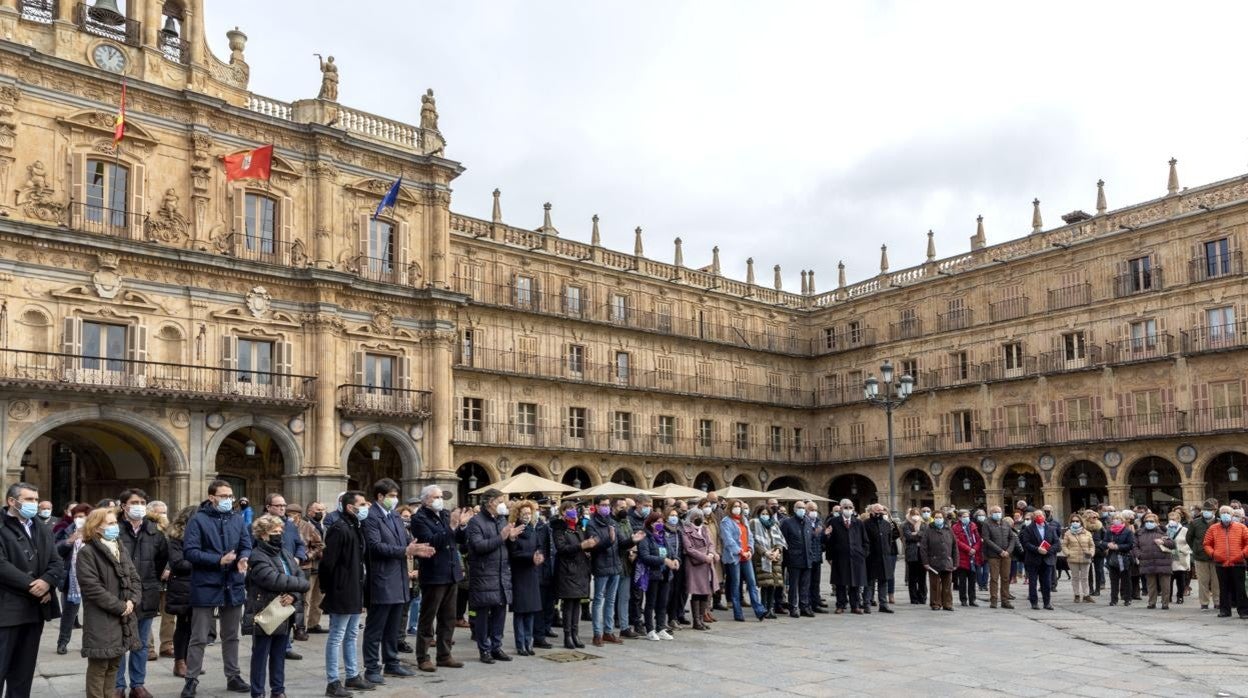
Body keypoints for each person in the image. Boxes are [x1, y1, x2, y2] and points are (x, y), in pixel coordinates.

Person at [181, 480, 251, 697]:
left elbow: (246, 544)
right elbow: (190, 552)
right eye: (224, 496)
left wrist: (244, 558)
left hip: (233, 584)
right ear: (212, 497)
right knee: (199, 636)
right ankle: (191, 679)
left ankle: (233, 676)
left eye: (230, 496)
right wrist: (218, 560)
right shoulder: (198, 520)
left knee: (231, 635)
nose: (229, 500)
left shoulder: (237, 519)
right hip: (206, 584)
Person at [0, 482, 64, 697]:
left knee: (23, 672)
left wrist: (47, 581)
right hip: (6, 610)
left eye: (36, 500)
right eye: (29, 500)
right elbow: (1, 565)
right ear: (12, 501)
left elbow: (56, 561)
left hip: (34, 611)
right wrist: (32, 586)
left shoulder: (41, 527)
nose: (34, 504)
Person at [360, 479, 425, 685]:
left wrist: (417, 547)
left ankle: (391, 662)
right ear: (380, 496)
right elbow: (374, 546)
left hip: (398, 579)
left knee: (394, 625)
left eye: (396, 496)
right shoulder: (371, 517)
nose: (395, 500)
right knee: (375, 627)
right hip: (381, 579)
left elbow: (405, 541)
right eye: (391, 496)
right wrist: (404, 551)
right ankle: (371, 667)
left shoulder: (395, 516)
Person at [75, 506, 142, 698]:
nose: (116, 527)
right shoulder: (87, 552)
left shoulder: (120, 548)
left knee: (114, 665)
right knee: (99, 667)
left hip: (124, 617)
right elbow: (92, 587)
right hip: (101, 618)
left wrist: (132, 601)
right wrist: (121, 606)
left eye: (116, 523)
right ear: (97, 528)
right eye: (111, 523)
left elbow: (135, 578)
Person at [243, 514, 310, 698]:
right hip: (265, 610)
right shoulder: (257, 555)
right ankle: (258, 693)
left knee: (279, 654)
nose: (279, 534)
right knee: (260, 655)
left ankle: (278, 691)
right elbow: (273, 580)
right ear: (263, 534)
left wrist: (293, 596)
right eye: (274, 532)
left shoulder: (285, 553)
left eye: (280, 531)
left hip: (285, 610)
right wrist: (299, 585)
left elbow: (299, 576)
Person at [114, 488, 169, 698]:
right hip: (120, 595)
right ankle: (118, 685)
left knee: (141, 643)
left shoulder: (154, 532)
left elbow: (160, 561)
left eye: (142, 502)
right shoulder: (114, 529)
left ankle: (138, 684)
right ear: (123, 506)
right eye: (134, 502)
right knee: (119, 642)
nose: (138, 506)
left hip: (147, 592)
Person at [410, 486, 467, 673]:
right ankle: (423, 657)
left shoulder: (444, 514)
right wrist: (451, 527)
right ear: (426, 499)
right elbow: (432, 541)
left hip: (451, 572)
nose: (440, 500)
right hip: (434, 575)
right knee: (428, 618)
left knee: (448, 618)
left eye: (441, 497)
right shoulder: (419, 518)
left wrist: (462, 526)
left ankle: (444, 655)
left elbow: (457, 539)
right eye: (436, 497)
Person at [320, 491, 370, 697]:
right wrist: (330, 587)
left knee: (351, 634)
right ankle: (333, 681)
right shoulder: (339, 528)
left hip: (355, 587)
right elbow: (328, 562)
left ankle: (352, 675)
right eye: (362, 504)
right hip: (342, 589)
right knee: (337, 636)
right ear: (350, 507)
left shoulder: (355, 526)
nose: (366, 507)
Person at [465, 493, 518, 664]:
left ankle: (496, 646)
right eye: (500, 501)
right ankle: (484, 649)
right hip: (484, 574)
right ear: (490, 502)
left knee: (500, 613)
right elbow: (478, 546)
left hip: (502, 573)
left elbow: (506, 546)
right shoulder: (476, 521)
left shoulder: (501, 519)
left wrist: (512, 538)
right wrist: (501, 537)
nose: (503, 505)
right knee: (482, 614)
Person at [585, 496, 641, 646]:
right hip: (601, 566)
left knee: (610, 601)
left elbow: (621, 542)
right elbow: (593, 547)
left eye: (608, 505)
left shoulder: (612, 522)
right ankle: (597, 634)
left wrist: (632, 540)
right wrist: (609, 540)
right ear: (596, 506)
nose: (606, 508)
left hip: (616, 565)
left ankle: (608, 632)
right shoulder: (592, 524)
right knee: (598, 601)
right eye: (603, 505)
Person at [551, 501, 592, 649]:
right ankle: (567, 636)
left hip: (580, 569)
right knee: (568, 604)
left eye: (574, 509)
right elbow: (561, 548)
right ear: (562, 512)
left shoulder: (579, 527)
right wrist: (581, 546)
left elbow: (582, 545)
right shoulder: (559, 529)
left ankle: (576, 633)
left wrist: (588, 548)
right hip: (567, 570)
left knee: (577, 603)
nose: (573, 512)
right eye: (569, 509)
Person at [719, 500, 767, 622]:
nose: (738, 509)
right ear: (730, 508)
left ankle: (759, 610)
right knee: (736, 584)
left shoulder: (743, 519)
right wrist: (740, 551)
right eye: (735, 506)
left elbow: (750, 536)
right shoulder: (725, 522)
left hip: (747, 556)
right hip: (734, 557)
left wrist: (750, 549)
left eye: (739, 507)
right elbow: (728, 540)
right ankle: (738, 613)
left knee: (752, 583)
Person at [506, 500, 544, 655]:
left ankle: (529, 643)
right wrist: (530, 557)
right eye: (524, 514)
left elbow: (539, 547)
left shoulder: (533, 530)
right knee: (520, 612)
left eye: (529, 513)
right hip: (520, 574)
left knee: (531, 611)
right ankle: (520, 644)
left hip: (532, 574)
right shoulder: (514, 531)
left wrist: (540, 556)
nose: (527, 516)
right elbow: (513, 553)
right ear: (518, 515)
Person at [165, 505, 197, 679]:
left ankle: (191, 660)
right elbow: (178, 563)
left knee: (196, 627)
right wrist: (202, 562)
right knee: (183, 626)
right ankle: (180, 662)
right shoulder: (176, 538)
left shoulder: (202, 537)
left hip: (200, 586)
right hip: (183, 587)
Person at [55, 503, 91, 654]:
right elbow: (56, 551)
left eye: (81, 516)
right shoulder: (67, 531)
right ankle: (62, 642)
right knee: (69, 612)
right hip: (71, 578)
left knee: (92, 613)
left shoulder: (96, 532)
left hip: (92, 578)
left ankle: (89, 644)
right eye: (75, 516)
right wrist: (69, 541)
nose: (78, 519)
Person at [284, 503, 323, 642]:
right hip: (285, 567)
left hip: (304, 567)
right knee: (286, 598)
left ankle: (301, 628)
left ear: (298, 515)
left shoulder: (308, 527)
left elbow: (319, 545)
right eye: (287, 514)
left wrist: (308, 556)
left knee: (303, 599)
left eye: (291, 514)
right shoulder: (282, 525)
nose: (288, 517)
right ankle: (286, 629)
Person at [637, 512, 678, 640]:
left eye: (661, 522)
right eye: (657, 522)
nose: (660, 525)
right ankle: (650, 629)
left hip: (665, 574)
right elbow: (644, 556)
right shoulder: (645, 537)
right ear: (650, 523)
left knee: (663, 602)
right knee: (651, 602)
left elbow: (671, 551)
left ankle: (661, 627)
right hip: (652, 574)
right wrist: (663, 560)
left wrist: (676, 559)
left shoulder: (663, 536)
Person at [1202, 505, 1248, 618]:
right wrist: (1213, 554)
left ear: (1232, 515)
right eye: (1223, 512)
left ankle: (1244, 611)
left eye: (1227, 512)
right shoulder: (1213, 528)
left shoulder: (1241, 527)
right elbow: (1206, 544)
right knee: (1223, 587)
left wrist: (1242, 554)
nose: (1225, 515)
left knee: (1240, 588)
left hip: (1238, 562)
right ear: (1219, 515)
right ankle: (1225, 610)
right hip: (1220, 563)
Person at [826, 498, 868, 614]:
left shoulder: (858, 522)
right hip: (840, 557)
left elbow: (865, 541)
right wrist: (829, 557)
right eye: (845, 507)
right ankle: (840, 605)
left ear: (853, 509)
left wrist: (863, 553)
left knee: (855, 583)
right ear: (841, 508)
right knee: (840, 582)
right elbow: (830, 541)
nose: (848, 509)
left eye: (850, 507)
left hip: (856, 557)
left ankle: (855, 606)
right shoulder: (834, 521)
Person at [680, 505, 716, 630]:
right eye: (696, 516)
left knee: (706, 591)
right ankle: (696, 621)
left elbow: (711, 543)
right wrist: (704, 556)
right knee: (697, 591)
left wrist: (711, 553)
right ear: (690, 517)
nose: (698, 519)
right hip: (695, 565)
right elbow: (689, 549)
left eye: (700, 516)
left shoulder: (705, 529)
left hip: (707, 563)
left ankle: (701, 618)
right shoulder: (685, 530)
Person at [1019, 508, 1061, 610]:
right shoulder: (1028, 529)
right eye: (1037, 516)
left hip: (1047, 559)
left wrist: (1048, 550)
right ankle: (1034, 602)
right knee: (1033, 582)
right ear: (1034, 518)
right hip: (1033, 559)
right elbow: (1026, 543)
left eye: (1041, 515)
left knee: (1046, 582)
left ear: (1044, 517)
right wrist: (1037, 549)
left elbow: (1057, 544)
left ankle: (1047, 603)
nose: (1039, 517)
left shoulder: (1051, 529)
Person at [1132, 512, 1175, 609]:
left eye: (1151, 521)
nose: (1148, 523)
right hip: (1147, 561)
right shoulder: (1139, 533)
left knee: (1165, 585)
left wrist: (1163, 541)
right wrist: (1139, 555)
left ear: (1156, 522)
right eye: (1146, 521)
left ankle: (1165, 603)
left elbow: (1173, 544)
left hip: (1163, 561)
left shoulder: (1163, 531)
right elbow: (1134, 546)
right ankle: (1151, 602)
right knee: (1151, 585)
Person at [750, 504, 785, 619]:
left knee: (773, 584)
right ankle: (764, 608)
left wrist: (777, 551)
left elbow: (779, 539)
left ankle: (771, 609)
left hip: (775, 558)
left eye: (767, 514)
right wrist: (765, 553)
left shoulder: (774, 524)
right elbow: (753, 541)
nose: (765, 516)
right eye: (762, 514)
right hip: (762, 557)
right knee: (765, 584)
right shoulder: (754, 523)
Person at [780, 501, 813, 616]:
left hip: (807, 558)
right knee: (793, 585)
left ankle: (804, 606)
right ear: (794, 509)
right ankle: (793, 607)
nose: (801, 509)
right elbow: (783, 541)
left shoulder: (808, 522)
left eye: (803, 508)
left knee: (805, 585)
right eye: (799, 507)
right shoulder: (787, 523)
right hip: (794, 559)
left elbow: (810, 539)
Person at [919, 510, 957, 611]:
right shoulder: (929, 530)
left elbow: (954, 547)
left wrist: (955, 562)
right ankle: (935, 603)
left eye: (940, 517)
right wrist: (925, 562)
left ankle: (947, 604)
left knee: (947, 584)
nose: (938, 519)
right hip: (933, 562)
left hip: (947, 561)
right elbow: (923, 547)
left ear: (943, 518)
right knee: (935, 584)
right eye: (936, 517)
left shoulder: (948, 529)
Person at [862, 503, 896, 613]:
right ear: (871, 512)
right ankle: (867, 603)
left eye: (881, 511)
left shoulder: (886, 524)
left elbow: (889, 540)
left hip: (884, 557)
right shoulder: (866, 524)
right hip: (871, 557)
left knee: (883, 581)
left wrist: (887, 552)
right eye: (877, 511)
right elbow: (863, 540)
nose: (879, 513)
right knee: (869, 582)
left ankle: (883, 604)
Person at [1187, 498, 1220, 610]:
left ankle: (1218, 601)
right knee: (1203, 581)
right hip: (1200, 557)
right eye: (1205, 510)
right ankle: (1204, 602)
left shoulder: (1219, 523)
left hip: (1217, 557)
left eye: (1209, 510)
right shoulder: (1195, 523)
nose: (1207, 512)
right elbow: (1189, 538)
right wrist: (1196, 548)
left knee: (1217, 581)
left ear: (1214, 511)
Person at [981, 505, 1016, 609]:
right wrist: (1000, 551)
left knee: (1005, 578)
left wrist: (1008, 551)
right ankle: (994, 600)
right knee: (994, 578)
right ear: (991, 514)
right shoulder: (986, 524)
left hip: (1006, 555)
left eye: (999, 511)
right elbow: (987, 539)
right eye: (995, 512)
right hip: (993, 556)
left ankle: (1005, 600)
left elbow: (1012, 538)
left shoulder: (1005, 523)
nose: (998, 514)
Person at [304, 501, 328, 633]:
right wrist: (316, 553)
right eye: (318, 509)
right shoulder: (305, 525)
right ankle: (303, 626)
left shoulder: (323, 526)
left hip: (322, 566)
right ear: (309, 512)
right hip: (309, 565)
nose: (321, 512)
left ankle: (314, 623)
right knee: (306, 598)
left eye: (323, 510)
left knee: (318, 597)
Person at [1062, 513, 1096, 604]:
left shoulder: (1087, 533)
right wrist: (1068, 553)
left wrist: (1091, 553)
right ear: (1070, 522)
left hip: (1085, 558)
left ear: (1081, 522)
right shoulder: (1068, 533)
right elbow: (1064, 545)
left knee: (1085, 578)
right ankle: (1076, 595)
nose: (1075, 522)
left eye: (1077, 521)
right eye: (1073, 521)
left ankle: (1086, 595)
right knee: (1075, 578)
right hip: (1072, 558)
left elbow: (1092, 545)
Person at [951, 509, 982, 608]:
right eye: (964, 516)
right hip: (962, 557)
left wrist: (975, 549)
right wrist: (968, 549)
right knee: (963, 581)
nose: (966, 518)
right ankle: (963, 599)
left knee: (972, 580)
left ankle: (972, 599)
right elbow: (957, 541)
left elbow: (978, 539)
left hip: (973, 557)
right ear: (959, 517)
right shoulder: (955, 527)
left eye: (967, 516)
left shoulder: (973, 526)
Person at [901, 507, 926, 605]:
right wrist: (918, 535)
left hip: (922, 554)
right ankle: (914, 598)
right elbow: (908, 536)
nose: (915, 516)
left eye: (917, 514)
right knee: (912, 578)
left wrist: (916, 534)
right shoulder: (906, 524)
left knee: (922, 578)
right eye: (913, 514)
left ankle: (922, 597)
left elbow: (925, 535)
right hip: (912, 554)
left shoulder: (924, 524)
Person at [1167, 511, 1192, 605]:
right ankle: (1168, 596)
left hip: (1181, 557)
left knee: (1180, 579)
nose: (1171, 521)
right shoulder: (1165, 529)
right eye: (1170, 519)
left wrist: (1182, 550)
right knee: (1169, 579)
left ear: (1178, 520)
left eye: (1173, 519)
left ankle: (1180, 596)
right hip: (1169, 556)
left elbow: (1190, 542)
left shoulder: (1184, 530)